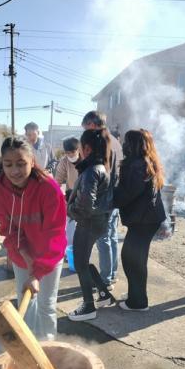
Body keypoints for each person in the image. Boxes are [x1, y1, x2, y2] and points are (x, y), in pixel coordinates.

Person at [0, 137, 67, 340]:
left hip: (50, 256)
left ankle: (47, 348)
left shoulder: (49, 189)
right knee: (25, 300)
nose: (15, 171)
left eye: (21, 164)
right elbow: (9, 230)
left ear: (32, 161)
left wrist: (38, 271)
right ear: (2, 165)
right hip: (21, 255)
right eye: (8, 164)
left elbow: (55, 234)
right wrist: (28, 261)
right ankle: (30, 346)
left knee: (46, 304)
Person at [114, 129, 166, 311]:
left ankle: (138, 302)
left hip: (143, 219)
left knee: (132, 258)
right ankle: (135, 294)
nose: (123, 145)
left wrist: (109, 198)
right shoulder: (146, 161)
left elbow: (129, 192)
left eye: (127, 142)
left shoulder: (137, 164)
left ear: (135, 144)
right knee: (134, 257)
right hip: (147, 218)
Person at [67, 129, 115, 321]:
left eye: (80, 147)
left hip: (87, 223)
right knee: (83, 262)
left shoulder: (92, 170)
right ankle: (103, 294)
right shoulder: (102, 167)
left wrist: (69, 209)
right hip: (97, 222)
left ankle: (88, 306)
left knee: (80, 264)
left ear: (86, 148)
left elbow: (86, 206)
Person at [81, 111, 123, 290]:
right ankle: (112, 274)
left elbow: (99, 174)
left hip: (104, 199)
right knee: (111, 237)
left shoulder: (101, 142)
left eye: (86, 128)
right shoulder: (115, 141)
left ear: (92, 124)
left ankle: (106, 279)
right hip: (114, 198)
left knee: (103, 239)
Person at [55, 137, 81, 246]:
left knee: (84, 226)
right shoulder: (64, 162)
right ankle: (70, 249)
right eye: (68, 153)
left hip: (87, 195)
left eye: (73, 152)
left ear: (78, 149)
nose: (70, 155)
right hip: (71, 195)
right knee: (70, 225)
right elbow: (57, 182)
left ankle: (80, 248)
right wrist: (59, 197)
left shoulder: (85, 158)